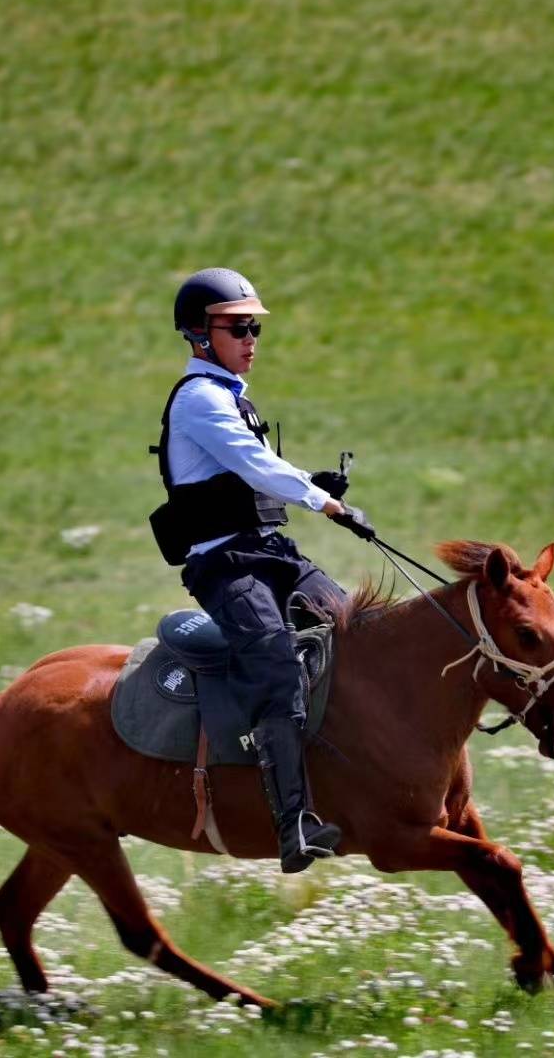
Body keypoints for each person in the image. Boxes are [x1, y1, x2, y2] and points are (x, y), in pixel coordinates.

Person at [148, 267, 376, 873]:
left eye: (255, 328)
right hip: (224, 565)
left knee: (359, 629)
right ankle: (294, 824)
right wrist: (324, 502)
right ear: (200, 336)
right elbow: (252, 462)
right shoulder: (198, 398)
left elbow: (256, 470)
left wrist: (309, 483)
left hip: (271, 554)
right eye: (237, 328)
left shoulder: (228, 395)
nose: (251, 338)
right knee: (275, 662)